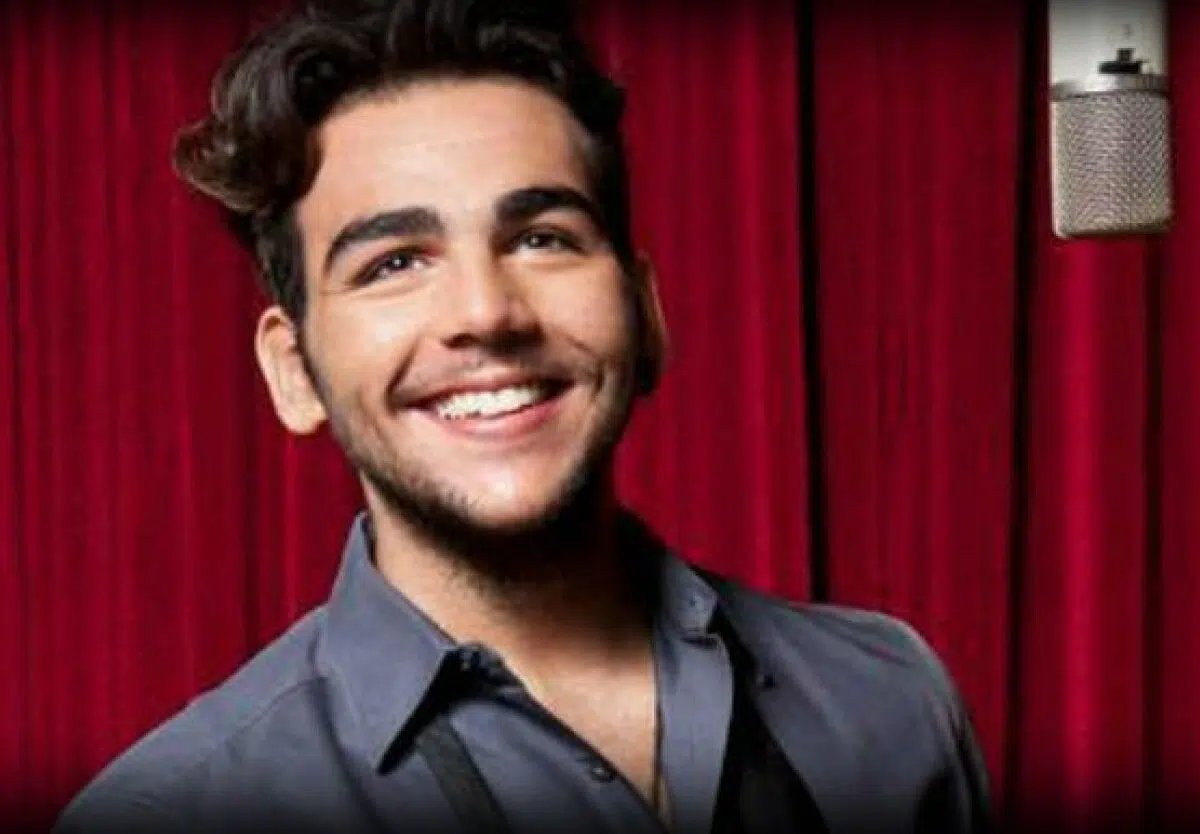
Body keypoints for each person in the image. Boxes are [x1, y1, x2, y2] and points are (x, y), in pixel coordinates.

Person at [56, 1, 989, 832]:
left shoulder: (889, 702)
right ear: (294, 371)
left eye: (542, 238)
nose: (486, 312)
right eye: (393, 263)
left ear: (646, 313)